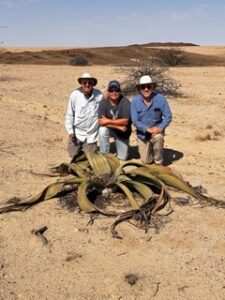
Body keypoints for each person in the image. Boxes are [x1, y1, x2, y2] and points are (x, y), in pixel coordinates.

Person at [131, 75, 172, 164]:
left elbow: (168, 116)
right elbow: (135, 121)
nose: (146, 89)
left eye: (149, 86)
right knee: (146, 161)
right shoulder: (134, 101)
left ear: (153, 87)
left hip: (156, 131)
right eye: (143, 87)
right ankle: (151, 151)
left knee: (159, 138)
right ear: (139, 89)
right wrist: (148, 129)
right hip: (143, 134)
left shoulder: (161, 99)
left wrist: (160, 128)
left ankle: (158, 162)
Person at [65, 72, 103, 158]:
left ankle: (89, 147)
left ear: (93, 84)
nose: (87, 85)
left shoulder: (99, 95)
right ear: (81, 83)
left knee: (89, 157)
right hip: (77, 133)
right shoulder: (75, 95)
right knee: (72, 155)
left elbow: (103, 113)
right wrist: (71, 131)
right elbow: (69, 115)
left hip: (91, 134)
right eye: (85, 82)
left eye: (90, 83)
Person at [98, 80, 131, 160]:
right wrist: (119, 127)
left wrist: (107, 121)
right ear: (108, 92)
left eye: (116, 90)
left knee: (122, 158)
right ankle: (105, 153)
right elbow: (101, 122)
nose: (114, 92)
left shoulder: (125, 102)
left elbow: (125, 121)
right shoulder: (103, 102)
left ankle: (120, 145)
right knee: (102, 130)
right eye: (111, 90)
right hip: (115, 129)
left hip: (122, 133)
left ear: (120, 92)